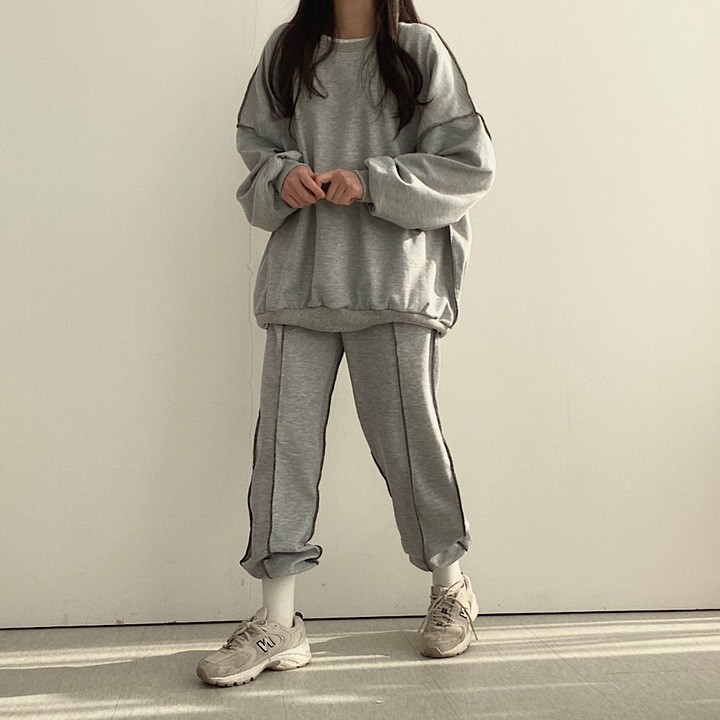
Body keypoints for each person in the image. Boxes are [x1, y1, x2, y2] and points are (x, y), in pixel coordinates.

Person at [197, 0, 496, 687]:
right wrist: (282, 177)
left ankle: (451, 588)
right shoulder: (287, 50)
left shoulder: (418, 50)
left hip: (392, 282)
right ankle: (278, 621)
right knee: (284, 453)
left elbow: (468, 166)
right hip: (301, 281)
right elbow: (256, 150)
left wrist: (372, 179)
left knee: (409, 443)